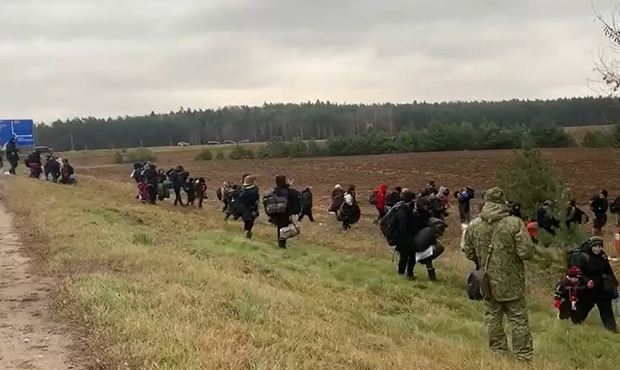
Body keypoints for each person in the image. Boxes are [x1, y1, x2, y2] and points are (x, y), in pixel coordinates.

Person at [464, 187, 534, 363]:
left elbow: (468, 252)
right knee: (518, 320)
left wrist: (482, 260)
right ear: (503, 201)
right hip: (513, 281)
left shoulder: (474, 225)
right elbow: (526, 252)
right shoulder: (514, 223)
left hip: (486, 281)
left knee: (493, 318)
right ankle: (523, 358)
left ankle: (498, 354)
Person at [568, 236, 618, 332]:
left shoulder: (602, 256)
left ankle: (612, 331)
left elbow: (608, 270)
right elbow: (577, 272)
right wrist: (586, 281)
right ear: (590, 246)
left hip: (602, 288)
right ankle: (574, 326)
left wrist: (614, 284)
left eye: (599, 246)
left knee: (607, 310)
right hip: (588, 290)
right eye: (595, 246)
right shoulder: (582, 257)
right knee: (583, 309)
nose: (597, 249)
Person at [268, 175, 299, 249]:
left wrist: (288, 185)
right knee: (284, 228)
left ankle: (281, 243)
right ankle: (282, 244)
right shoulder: (288, 192)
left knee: (280, 228)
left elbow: (281, 189)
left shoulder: (276, 190)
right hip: (285, 213)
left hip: (277, 212)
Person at [394, 191, 419, 279]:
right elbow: (402, 225)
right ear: (411, 199)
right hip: (404, 237)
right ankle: (404, 273)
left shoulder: (404, 208)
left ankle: (407, 273)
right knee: (406, 256)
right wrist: (406, 237)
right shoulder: (403, 210)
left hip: (405, 236)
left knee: (408, 256)